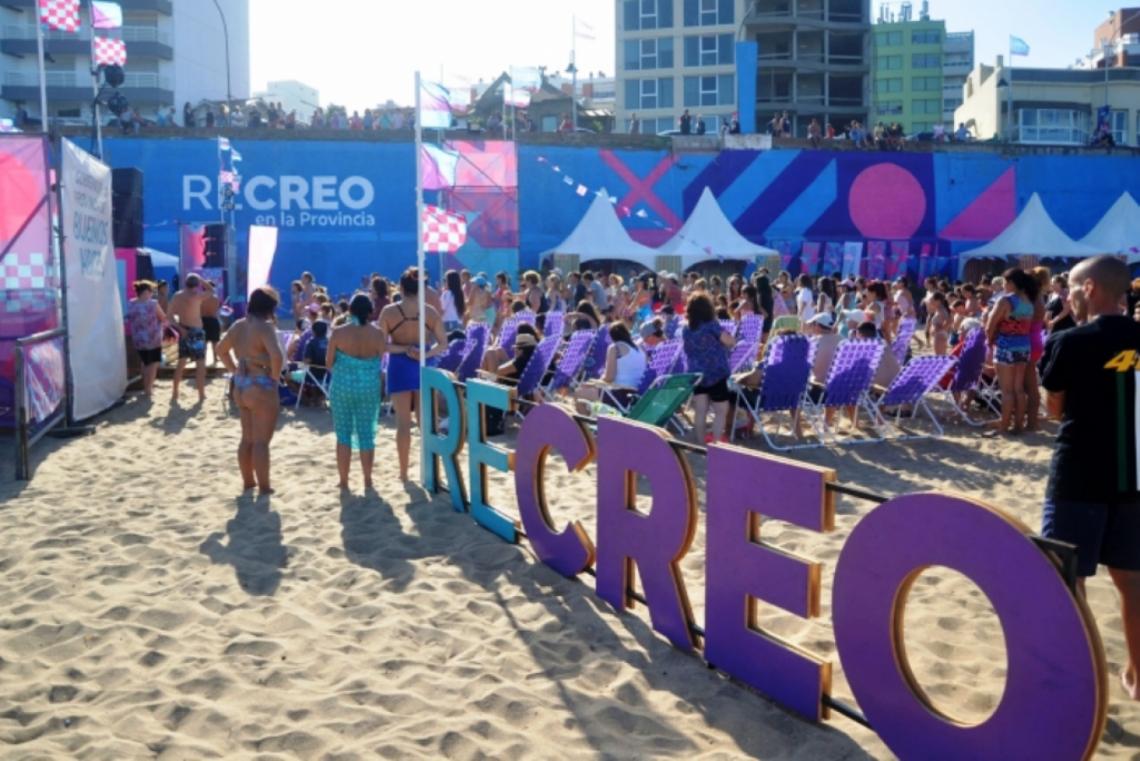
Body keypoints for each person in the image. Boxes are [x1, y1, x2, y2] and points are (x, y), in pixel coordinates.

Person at [1039, 256, 1140, 699]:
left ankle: (1082, 680)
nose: (1067, 297)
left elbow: (1054, 409)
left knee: (1067, 578)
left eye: (1072, 288)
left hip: (1079, 472)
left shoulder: (1070, 340)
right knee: (1132, 580)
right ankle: (1137, 675)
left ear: (1091, 288)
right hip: (1134, 472)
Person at [379, 268, 448, 481]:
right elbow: (443, 344)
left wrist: (405, 349)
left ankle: (403, 473)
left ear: (400, 288)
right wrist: (424, 353)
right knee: (425, 422)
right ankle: (432, 470)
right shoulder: (430, 312)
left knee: (403, 423)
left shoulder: (389, 312)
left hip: (399, 366)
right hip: (423, 366)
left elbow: (382, 346)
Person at [215, 287, 285, 494]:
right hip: (261, 384)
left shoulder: (239, 325)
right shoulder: (265, 327)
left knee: (247, 438)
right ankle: (264, 487)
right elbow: (277, 357)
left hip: (241, 384)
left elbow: (220, 350)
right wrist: (274, 378)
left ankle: (248, 482)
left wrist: (234, 370)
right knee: (262, 442)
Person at [326, 294, 386, 490]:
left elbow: (328, 363)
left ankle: (344, 481)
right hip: (368, 388)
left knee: (343, 435)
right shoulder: (378, 334)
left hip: (342, 387)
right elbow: (381, 359)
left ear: (350, 310)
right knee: (366, 434)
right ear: (370, 311)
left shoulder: (338, 332)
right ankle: (367, 479)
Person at [985, 268, 1038, 434]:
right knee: (1018, 389)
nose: (1003, 285)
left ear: (1011, 283)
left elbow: (990, 325)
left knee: (1007, 390)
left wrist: (990, 341)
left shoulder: (1005, 301)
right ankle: (1018, 425)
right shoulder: (1028, 301)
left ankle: (1004, 425)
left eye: (1004, 282)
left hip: (1006, 346)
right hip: (1024, 346)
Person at [683, 293, 735, 444]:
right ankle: (716, 444)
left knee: (700, 412)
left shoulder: (686, 329)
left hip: (697, 374)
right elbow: (729, 341)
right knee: (720, 411)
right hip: (715, 373)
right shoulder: (711, 325)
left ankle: (700, 445)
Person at [167, 273, 208, 403]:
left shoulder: (177, 296)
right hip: (196, 332)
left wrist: (180, 328)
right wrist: (202, 280)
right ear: (197, 285)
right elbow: (212, 291)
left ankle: (175, 392)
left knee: (181, 363)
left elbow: (169, 316)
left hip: (184, 330)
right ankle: (201, 394)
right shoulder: (197, 295)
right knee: (200, 364)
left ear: (185, 284)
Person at [126, 280, 167, 396]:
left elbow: (129, 318)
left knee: (144, 362)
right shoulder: (152, 304)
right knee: (153, 364)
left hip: (138, 338)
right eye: (151, 291)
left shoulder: (131, 303)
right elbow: (163, 317)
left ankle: (145, 386)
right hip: (153, 337)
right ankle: (149, 388)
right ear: (146, 292)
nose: (152, 293)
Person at [201, 280, 222, 366]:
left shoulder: (201, 298)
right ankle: (215, 358)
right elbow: (217, 311)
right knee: (215, 342)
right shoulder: (215, 298)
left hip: (203, 320)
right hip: (213, 320)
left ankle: (203, 359)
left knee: (204, 342)